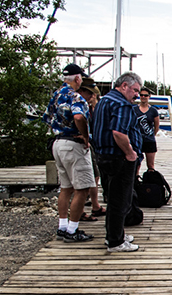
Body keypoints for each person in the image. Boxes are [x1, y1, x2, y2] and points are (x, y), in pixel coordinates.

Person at [92, 72, 144, 253]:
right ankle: (115, 241)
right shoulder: (122, 104)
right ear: (124, 86)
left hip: (104, 156)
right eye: (135, 90)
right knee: (120, 201)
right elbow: (119, 133)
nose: (137, 95)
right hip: (119, 158)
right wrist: (130, 153)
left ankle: (116, 233)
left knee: (112, 198)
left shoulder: (104, 101)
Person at [42, 63, 95, 243]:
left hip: (57, 143)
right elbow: (79, 116)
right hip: (73, 144)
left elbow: (46, 118)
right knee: (82, 188)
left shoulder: (56, 96)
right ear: (78, 78)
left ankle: (62, 226)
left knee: (66, 187)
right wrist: (85, 136)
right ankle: (72, 230)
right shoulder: (75, 97)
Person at [77, 77, 105, 219]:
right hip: (83, 144)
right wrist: (85, 137)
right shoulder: (78, 103)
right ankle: (79, 212)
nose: (91, 97)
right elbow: (79, 119)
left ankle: (95, 205)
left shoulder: (91, 106)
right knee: (85, 180)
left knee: (94, 176)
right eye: (90, 94)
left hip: (91, 144)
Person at [133, 87, 160, 175]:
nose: (143, 97)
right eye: (141, 95)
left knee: (150, 165)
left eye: (145, 95)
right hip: (137, 140)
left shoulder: (153, 111)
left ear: (149, 96)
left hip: (149, 140)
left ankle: (150, 184)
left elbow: (156, 126)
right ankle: (136, 182)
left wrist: (152, 134)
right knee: (136, 164)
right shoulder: (134, 109)